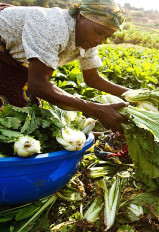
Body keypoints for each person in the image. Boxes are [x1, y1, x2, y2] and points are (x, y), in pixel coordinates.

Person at [0, 0, 129, 133]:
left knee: (25, 116)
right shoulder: (52, 26)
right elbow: (38, 85)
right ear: (80, 16)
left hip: (15, 59)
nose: (99, 41)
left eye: (106, 37)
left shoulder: (89, 39)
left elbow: (92, 78)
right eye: (98, 32)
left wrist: (134, 96)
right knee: (10, 118)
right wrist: (96, 109)